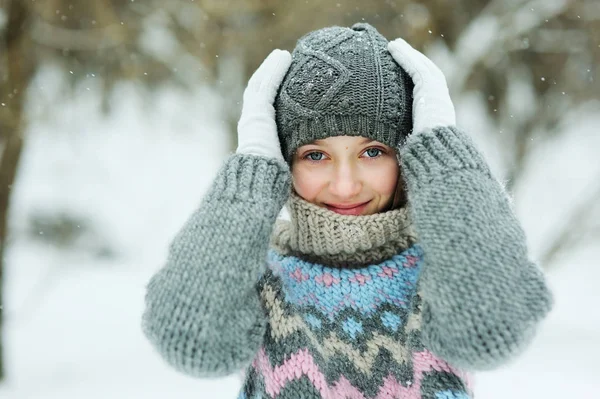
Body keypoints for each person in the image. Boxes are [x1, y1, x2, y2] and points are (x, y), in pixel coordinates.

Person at [142, 22, 553, 399]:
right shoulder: (253, 270)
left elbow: (493, 335)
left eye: (372, 151)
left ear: (407, 156)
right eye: (315, 155)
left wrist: (443, 153)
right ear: (285, 161)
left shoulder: (448, 266)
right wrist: (251, 171)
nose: (344, 184)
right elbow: (191, 344)